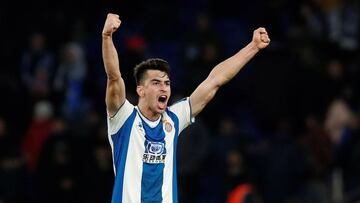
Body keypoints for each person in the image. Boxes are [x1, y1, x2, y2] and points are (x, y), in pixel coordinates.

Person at [101, 13, 270, 203]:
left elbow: (214, 80)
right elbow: (114, 77)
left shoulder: (173, 119)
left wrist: (253, 47)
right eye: (156, 82)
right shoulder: (124, 117)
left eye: (167, 82)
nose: (164, 87)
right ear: (141, 90)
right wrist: (107, 37)